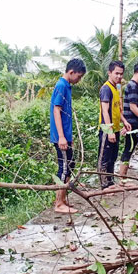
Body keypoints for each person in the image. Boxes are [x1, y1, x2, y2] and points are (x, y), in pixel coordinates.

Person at [51, 58, 86, 213]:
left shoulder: (67, 86)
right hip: (61, 136)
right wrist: (61, 137)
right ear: (71, 72)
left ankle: (63, 199)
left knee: (70, 165)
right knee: (64, 168)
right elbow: (56, 110)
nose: (79, 80)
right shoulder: (61, 86)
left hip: (66, 135)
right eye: (78, 76)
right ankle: (59, 203)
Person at [98, 61, 131, 189]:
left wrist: (124, 121)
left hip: (116, 129)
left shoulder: (116, 88)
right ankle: (104, 185)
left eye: (121, 74)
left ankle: (110, 182)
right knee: (104, 158)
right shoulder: (106, 88)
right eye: (116, 73)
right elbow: (105, 111)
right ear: (109, 73)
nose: (119, 76)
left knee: (112, 157)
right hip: (107, 129)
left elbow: (117, 109)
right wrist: (109, 130)